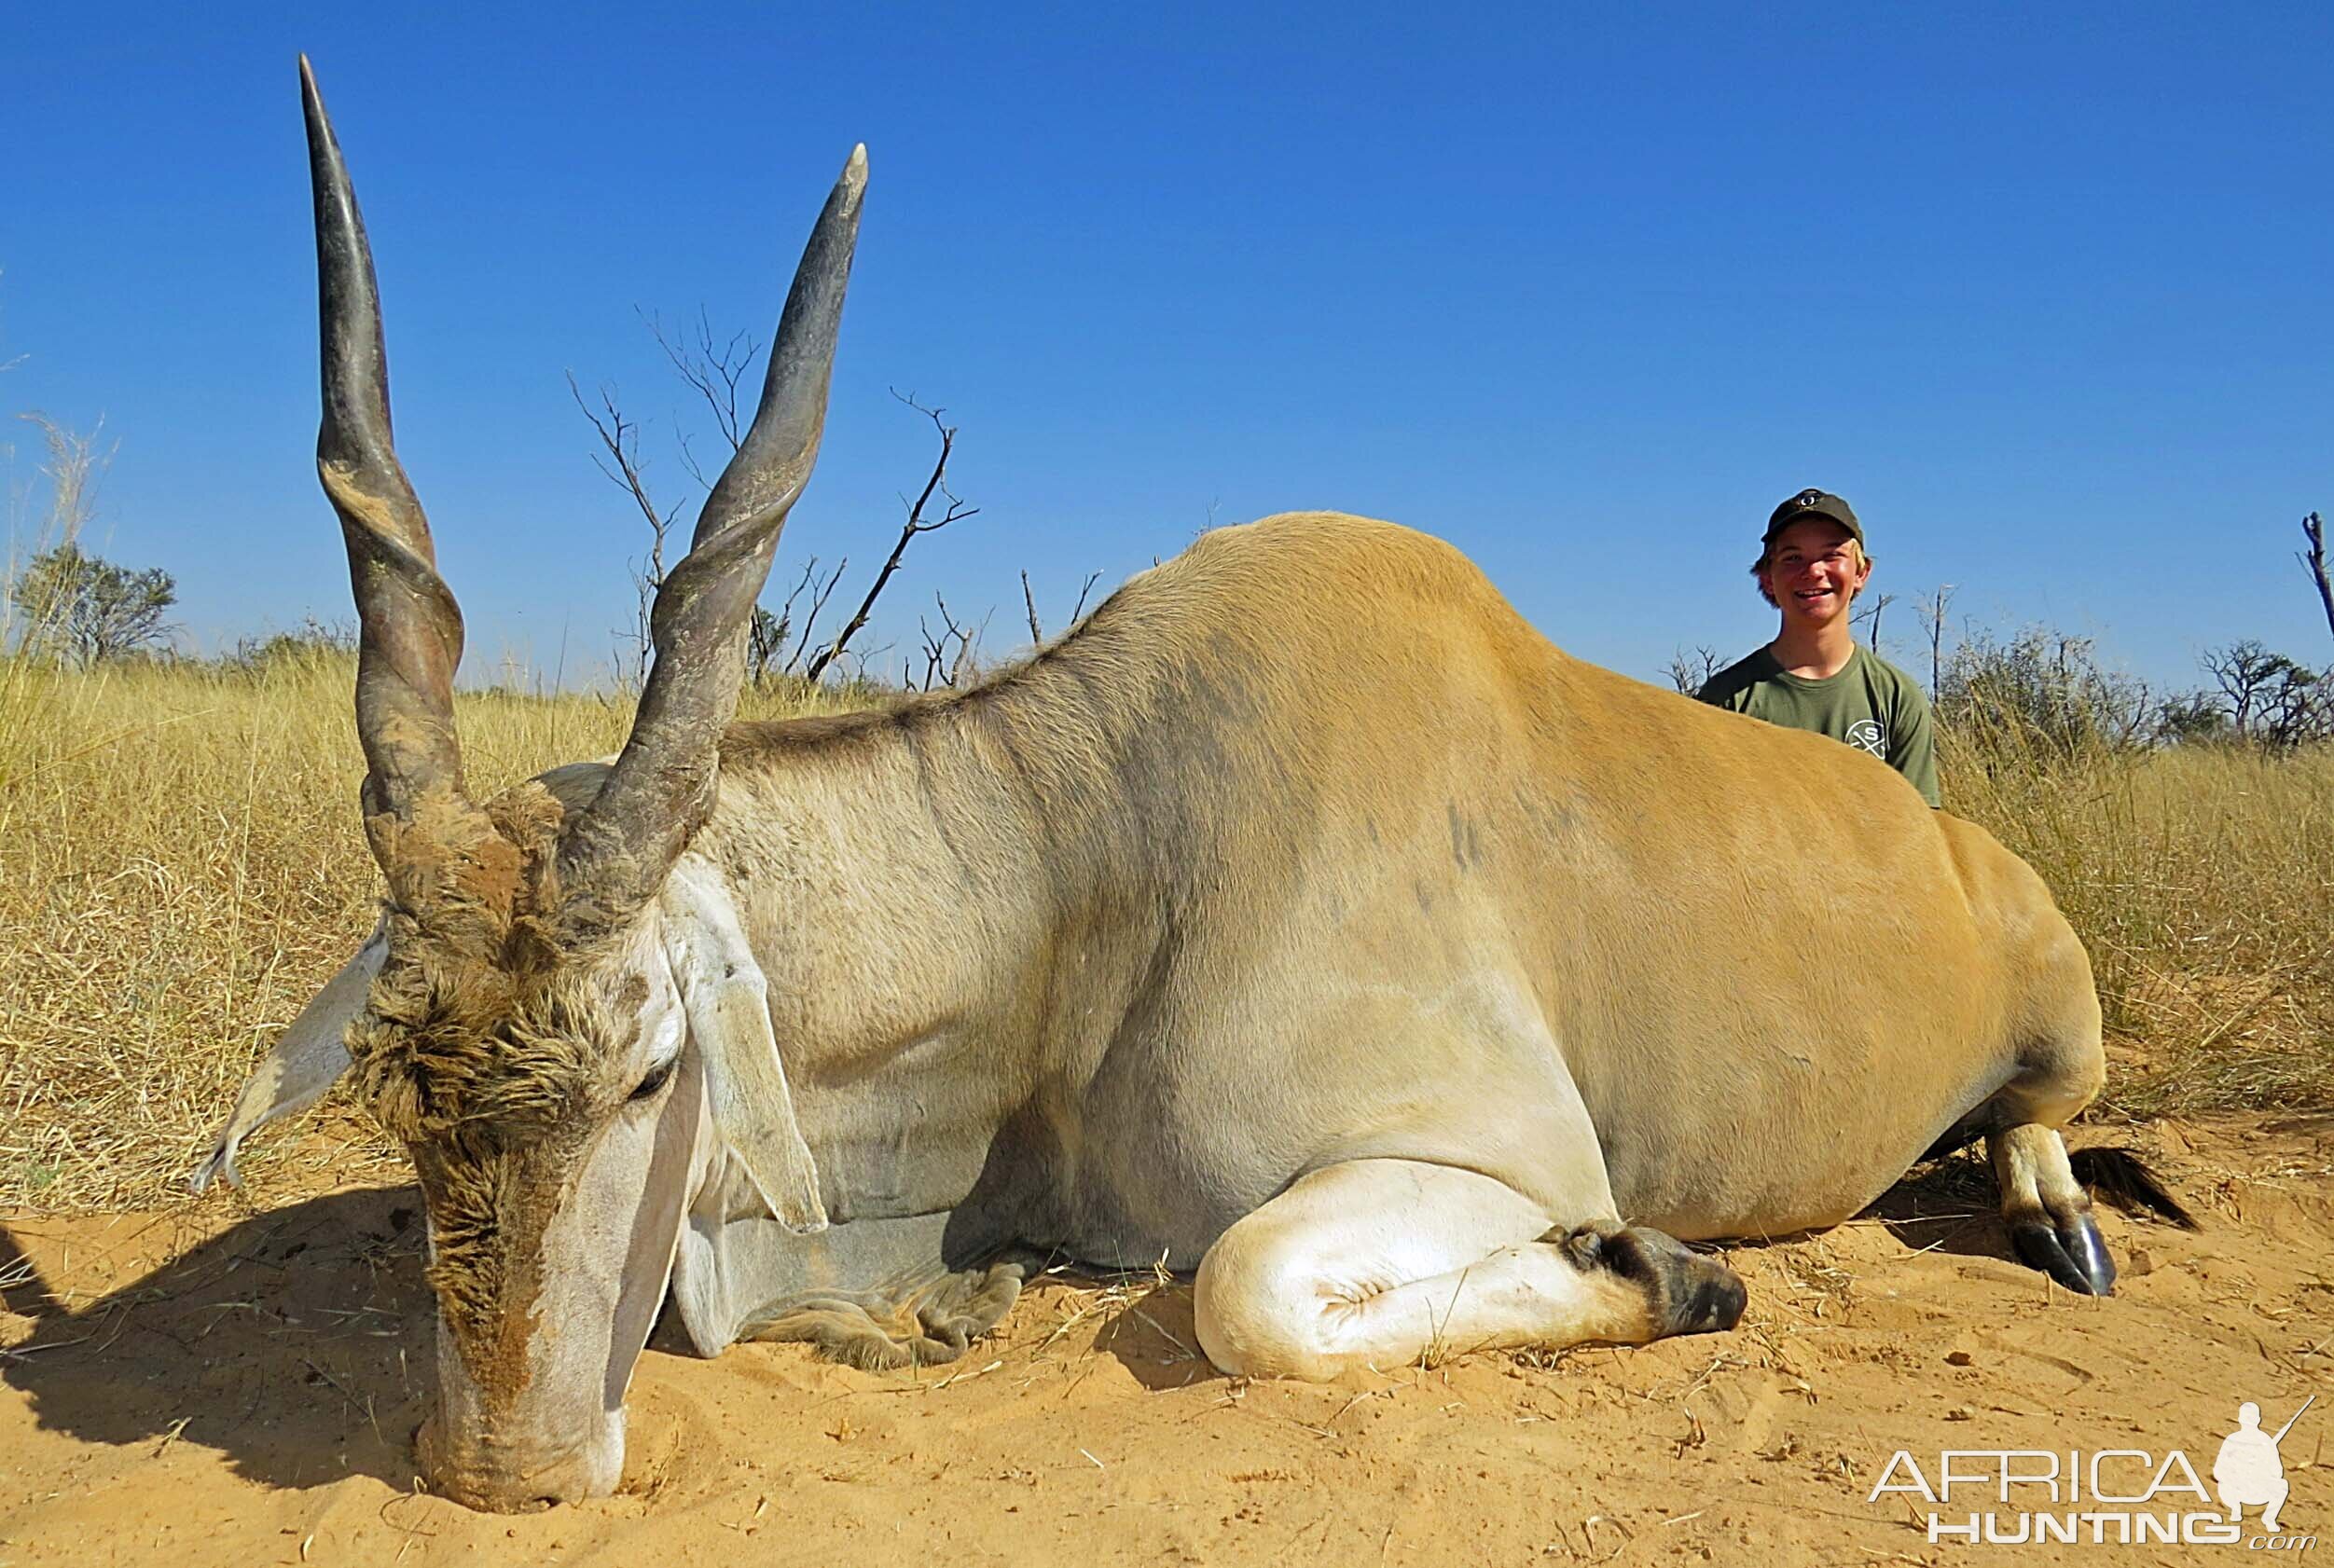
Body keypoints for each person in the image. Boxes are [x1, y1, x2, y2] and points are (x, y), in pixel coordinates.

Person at [1696, 488, 1940, 806]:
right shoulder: (1726, 700)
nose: (1813, 571)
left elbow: (1920, 830)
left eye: (1832, 555)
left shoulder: (1897, 697)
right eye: (1792, 558)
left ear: (1861, 573)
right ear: (1767, 577)